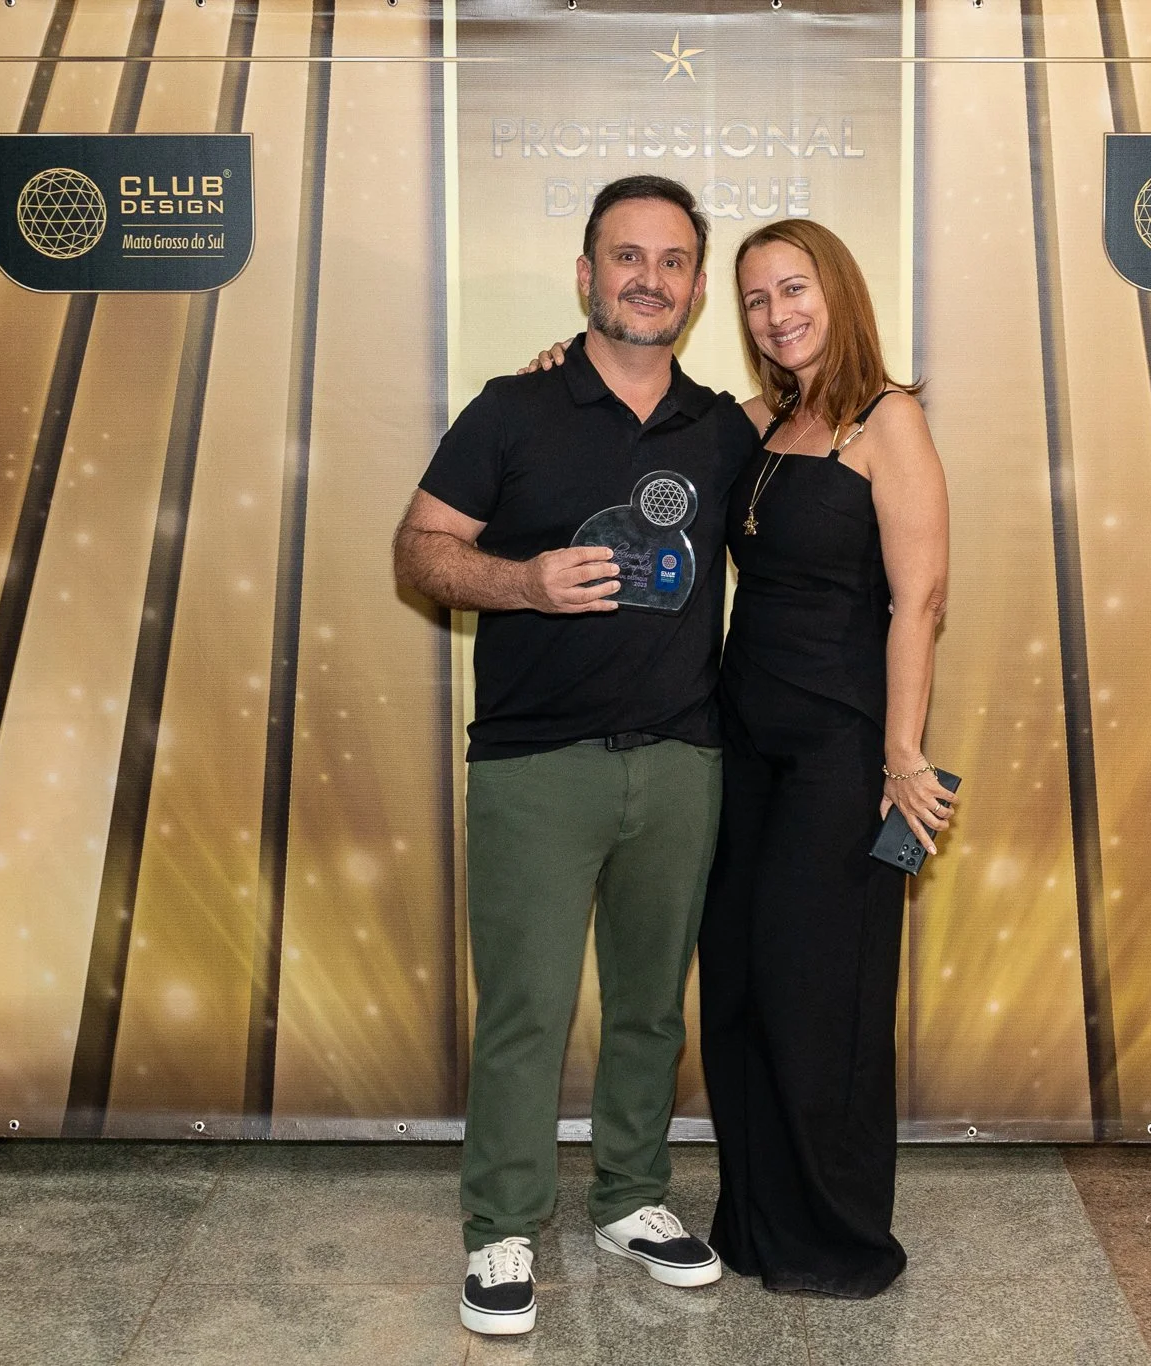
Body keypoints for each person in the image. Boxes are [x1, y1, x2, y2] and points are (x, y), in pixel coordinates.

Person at [527, 218, 952, 1299]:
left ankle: (835, 1238)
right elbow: (648, 427)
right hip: (738, 747)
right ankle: (756, 1223)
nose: (776, 314)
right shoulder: (755, 423)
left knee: (820, 997)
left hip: (840, 755)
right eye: (757, 298)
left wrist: (902, 754)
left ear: (837, 290)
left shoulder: (888, 419)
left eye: (794, 290)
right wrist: (564, 366)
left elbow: (921, 601)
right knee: (743, 988)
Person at [393, 175, 760, 1337]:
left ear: (694, 290)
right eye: (625, 256)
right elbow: (419, 550)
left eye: (671, 260)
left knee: (650, 1006)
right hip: (534, 766)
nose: (648, 278)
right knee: (527, 1008)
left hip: (683, 762)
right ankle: (501, 1225)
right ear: (585, 275)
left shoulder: (723, 429)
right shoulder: (512, 408)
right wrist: (523, 582)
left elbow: (822, 427)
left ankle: (630, 1198)